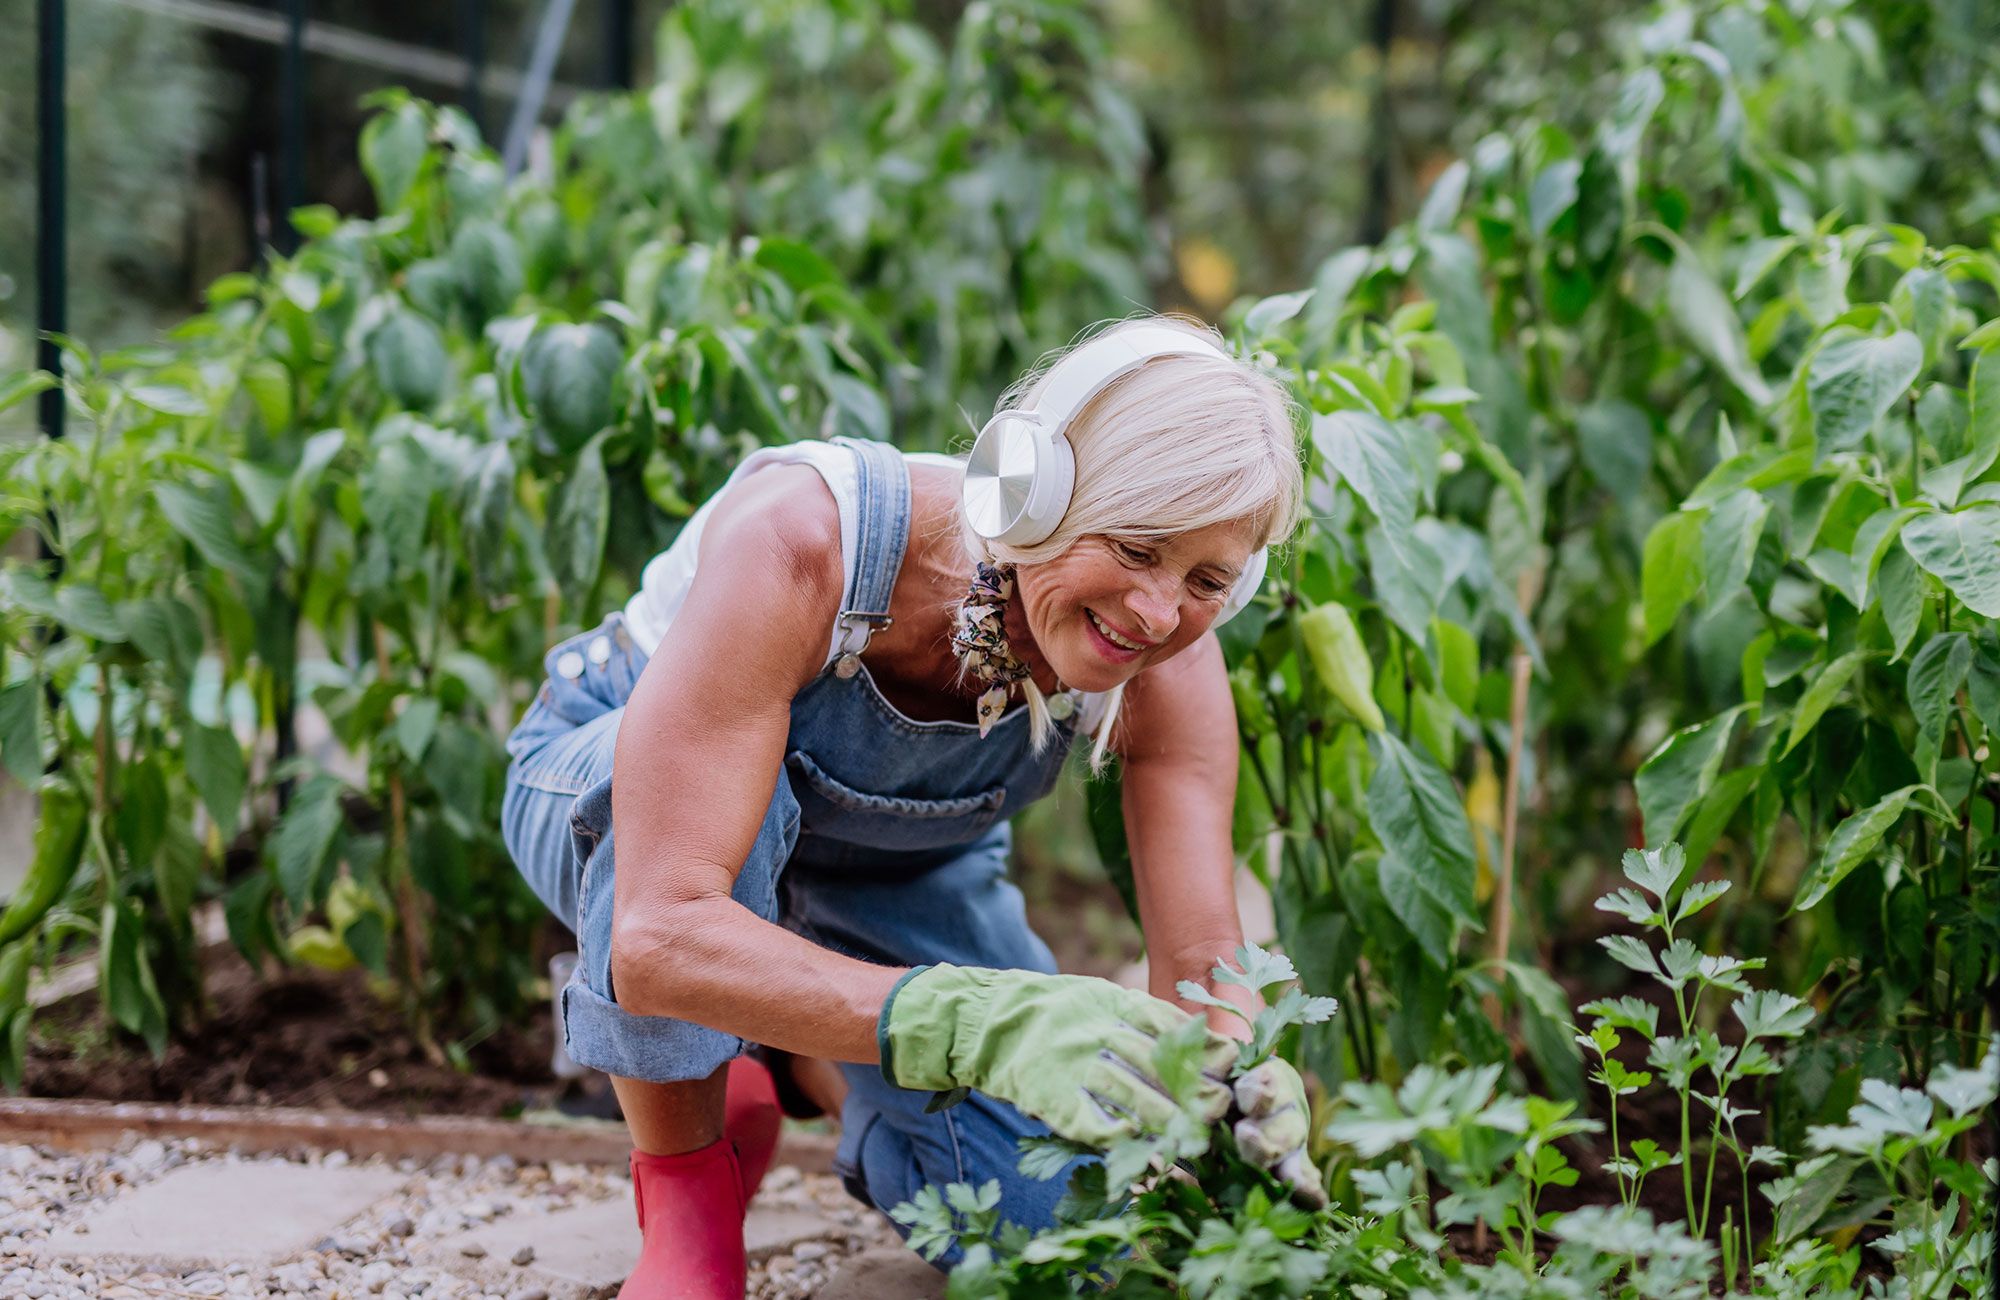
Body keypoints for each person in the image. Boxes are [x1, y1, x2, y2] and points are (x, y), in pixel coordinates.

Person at [500, 313, 1319, 1298]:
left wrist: (1234, 1077)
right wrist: (978, 1020)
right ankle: (687, 1211)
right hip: (631, 806)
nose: (1156, 612)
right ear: (1035, 489)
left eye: (1206, 579)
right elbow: (659, 931)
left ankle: (796, 1058)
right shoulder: (806, 541)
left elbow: (1197, 963)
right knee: (696, 834)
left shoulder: (1169, 659)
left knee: (1068, 1226)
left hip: (894, 867)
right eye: (1136, 547)